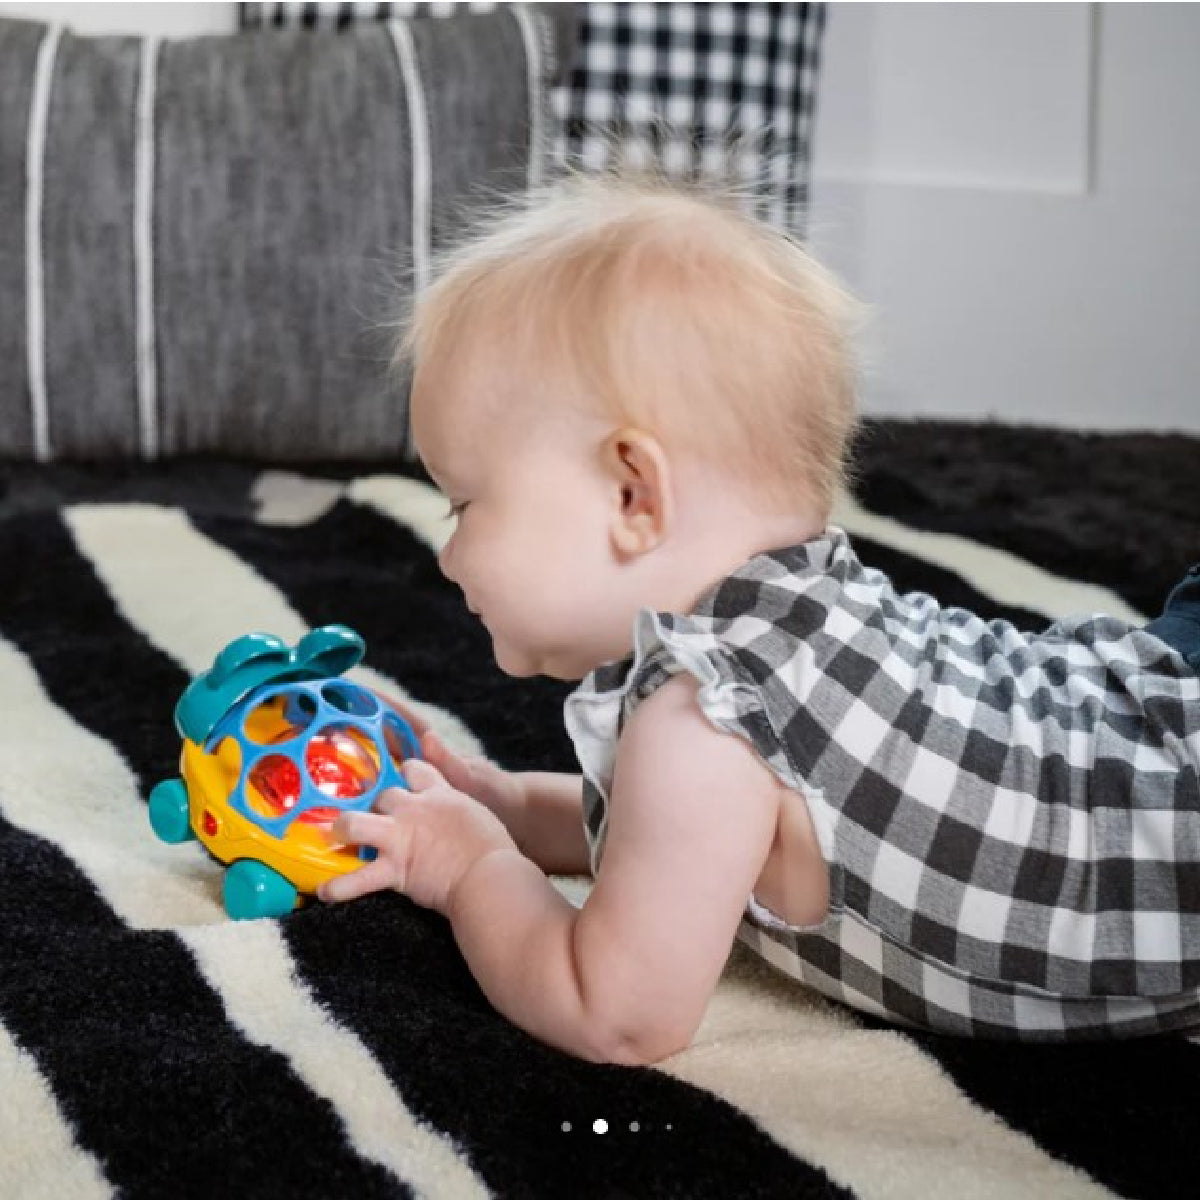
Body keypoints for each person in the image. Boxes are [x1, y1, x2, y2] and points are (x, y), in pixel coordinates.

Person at [317, 172, 1200, 1062]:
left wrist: (471, 868)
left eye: (464, 504)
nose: (446, 555)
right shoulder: (781, 621)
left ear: (634, 494)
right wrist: (506, 805)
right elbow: (663, 846)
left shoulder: (707, 715)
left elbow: (615, 1010)